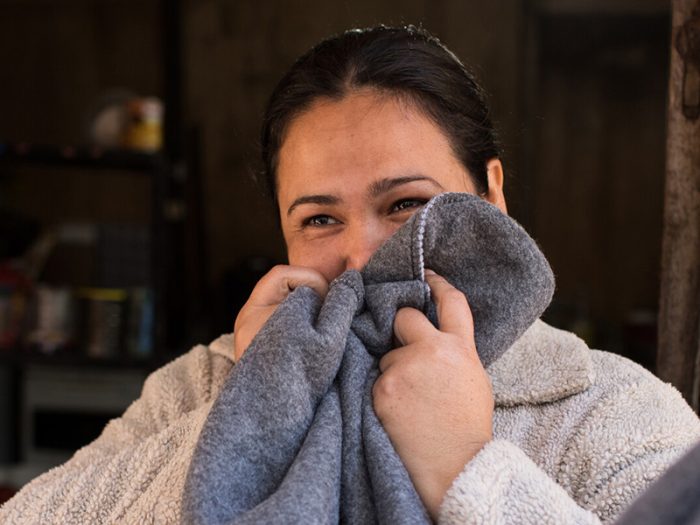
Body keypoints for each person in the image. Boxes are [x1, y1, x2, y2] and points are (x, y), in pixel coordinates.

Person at [1, 25, 698, 524]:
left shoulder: (607, 406)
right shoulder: (203, 384)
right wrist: (255, 409)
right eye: (320, 219)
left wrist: (467, 466)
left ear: (491, 194)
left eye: (405, 205)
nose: (362, 259)